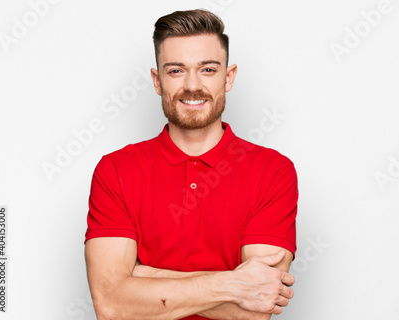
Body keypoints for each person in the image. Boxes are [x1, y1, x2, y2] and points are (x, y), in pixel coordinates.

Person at [84, 9, 298, 320]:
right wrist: (234, 284)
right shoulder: (115, 170)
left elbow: (255, 309)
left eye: (208, 70)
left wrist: (139, 277)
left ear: (229, 77)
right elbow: (111, 305)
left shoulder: (273, 171)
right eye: (176, 71)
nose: (193, 85)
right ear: (157, 81)